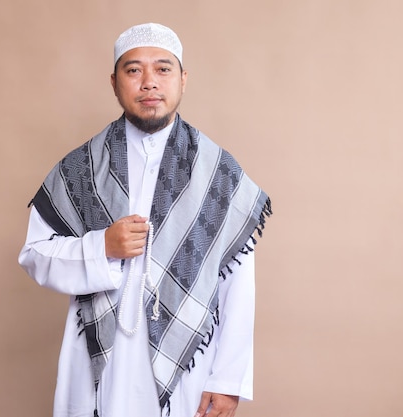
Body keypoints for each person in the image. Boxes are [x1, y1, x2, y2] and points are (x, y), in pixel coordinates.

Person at [18, 22, 271, 417]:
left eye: (163, 69)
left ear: (183, 80)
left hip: (186, 366)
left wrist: (226, 381)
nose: (149, 82)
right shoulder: (80, 169)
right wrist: (101, 247)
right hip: (99, 359)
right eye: (134, 70)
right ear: (114, 82)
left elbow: (238, 283)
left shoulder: (218, 173)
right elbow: (34, 254)